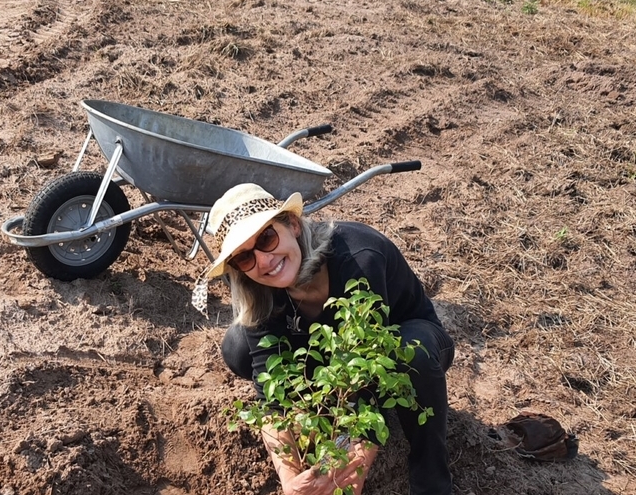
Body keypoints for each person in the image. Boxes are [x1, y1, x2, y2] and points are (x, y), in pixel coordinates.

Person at [191, 183, 456, 495]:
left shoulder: (359, 259)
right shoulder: (260, 291)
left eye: (266, 237)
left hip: (404, 338)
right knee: (238, 347)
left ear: (291, 224)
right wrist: (291, 482)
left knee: (411, 356)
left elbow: (371, 370)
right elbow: (271, 401)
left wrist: (354, 464)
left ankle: (432, 483)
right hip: (336, 352)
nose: (263, 262)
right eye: (244, 258)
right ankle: (328, 405)